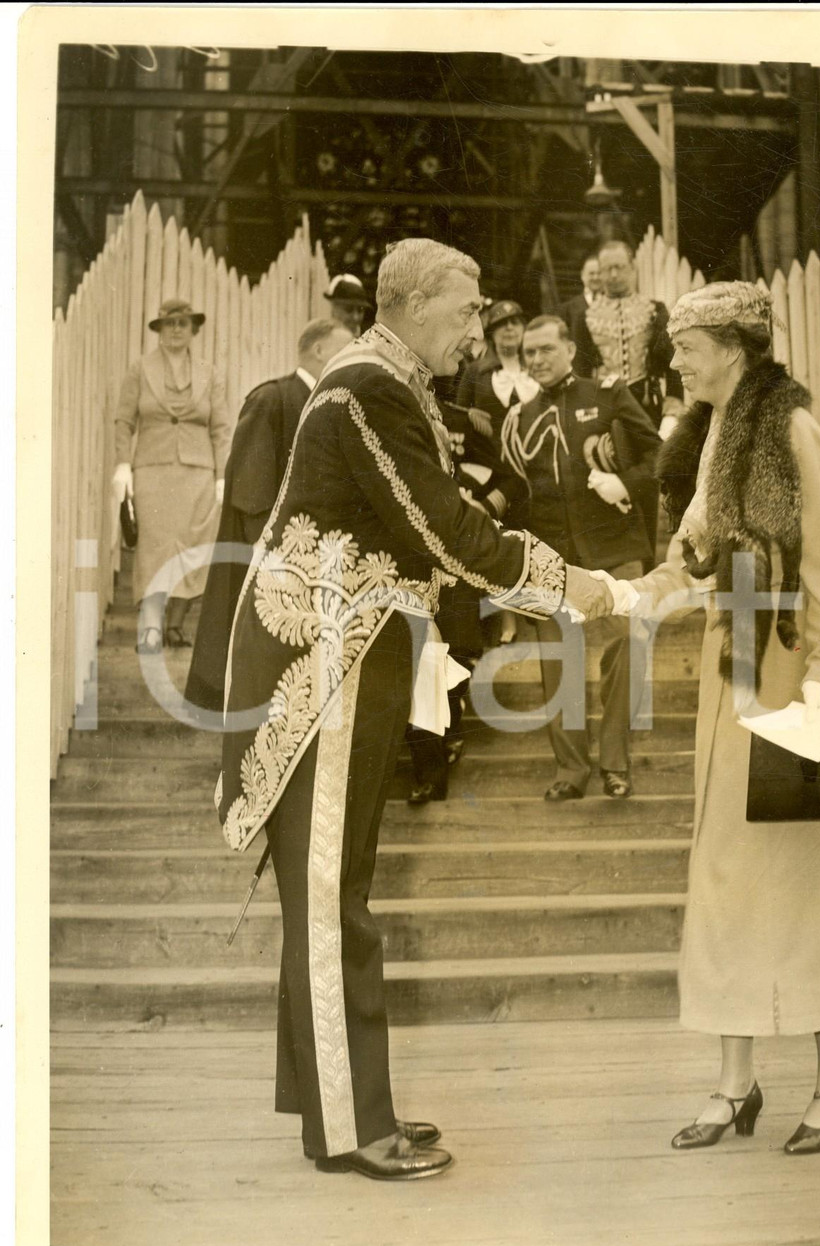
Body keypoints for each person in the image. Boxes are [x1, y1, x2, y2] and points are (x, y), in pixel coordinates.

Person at [217, 238, 611, 1181]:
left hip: (351, 656)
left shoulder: (386, 383)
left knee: (332, 891)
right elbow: (451, 533)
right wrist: (579, 586)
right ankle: (353, 1124)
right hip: (326, 667)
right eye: (468, 309)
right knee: (330, 898)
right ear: (415, 303)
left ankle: (337, 1103)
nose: (479, 330)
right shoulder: (366, 387)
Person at [609, 281, 820, 1155]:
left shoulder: (794, 430)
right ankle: (735, 1083)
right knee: (725, 876)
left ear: (732, 345)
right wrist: (628, 594)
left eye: (687, 346)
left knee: (806, 883)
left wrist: (816, 690)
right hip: (736, 674)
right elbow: (695, 555)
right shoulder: (717, 433)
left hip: (802, 673)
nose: (675, 360)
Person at [500, 315, 660, 801]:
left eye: (547, 349)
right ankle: (570, 771)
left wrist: (625, 484)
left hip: (613, 551)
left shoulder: (607, 395)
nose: (537, 360)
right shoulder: (521, 417)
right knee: (559, 662)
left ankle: (615, 764)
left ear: (571, 349)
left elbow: (658, 455)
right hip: (551, 558)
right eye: (530, 353)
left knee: (622, 654)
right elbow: (517, 492)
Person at [183, 318, 354, 713]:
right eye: (344, 349)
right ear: (319, 351)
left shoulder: (330, 400)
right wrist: (275, 555)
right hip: (271, 555)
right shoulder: (272, 399)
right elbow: (251, 488)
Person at [404, 409, 528, 805]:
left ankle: (451, 734)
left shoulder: (464, 435)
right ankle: (429, 771)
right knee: (420, 667)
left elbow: (508, 480)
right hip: (410, 568)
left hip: (455, 572)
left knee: (454, 656)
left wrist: (482, 509)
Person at [111, 299, 230, 653]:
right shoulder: (140, 369)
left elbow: (221, 429)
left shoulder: (210, 373)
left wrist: (222, 476)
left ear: (194, 329)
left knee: (194, 549)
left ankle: (175, 625)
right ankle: (150, 628)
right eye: (169, 323)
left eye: (183, 323)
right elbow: (124, 420)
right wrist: (122, 464)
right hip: (152, 472)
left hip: (198, 475)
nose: (176, 329)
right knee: (154, 549)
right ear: (159, 330)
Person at [583, 240, 684, 425]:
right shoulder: (587, 315)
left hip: (647, 403)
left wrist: (672, 409)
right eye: (607, 269)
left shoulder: (654, 310)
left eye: (619, 267)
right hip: (604, 405)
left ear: (632, 268)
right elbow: (580, 368)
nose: (614, 274)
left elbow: (673, 360)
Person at [455, 299, 539, 436]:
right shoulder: (475, 371)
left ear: (524, 329)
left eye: (515, 323)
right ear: (492, 333)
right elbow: (462, 418)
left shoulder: (538, 367)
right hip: (487, 453)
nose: (509, 328)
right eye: (502, 324)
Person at [557, 254, 603, 377]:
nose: (595, 277)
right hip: (580, 372)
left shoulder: (612, 305)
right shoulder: (568, 309)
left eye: (599, 273)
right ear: (582, 275)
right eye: (591, 273)